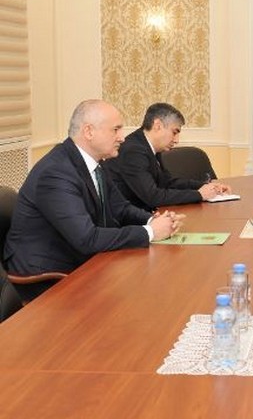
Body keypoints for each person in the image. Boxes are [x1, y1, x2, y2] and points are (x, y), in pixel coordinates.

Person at [4, 100, 183, 301]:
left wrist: (152, 220)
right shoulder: (56, 172)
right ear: (89, 131)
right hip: (46, 275)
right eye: (115, 129)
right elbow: (87, 239)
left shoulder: (95, 162)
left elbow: (121, 208)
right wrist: (150, 232)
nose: (122, 137)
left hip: (80, 258)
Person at [104, 102, 231, 211]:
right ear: (158, 125)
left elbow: (167, 183)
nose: (176, 140)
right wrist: (199, 194)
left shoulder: (148, 146)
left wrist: (206, 185)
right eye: (174, 132)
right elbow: (153, 197)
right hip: (128, 222)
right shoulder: (133, 151)